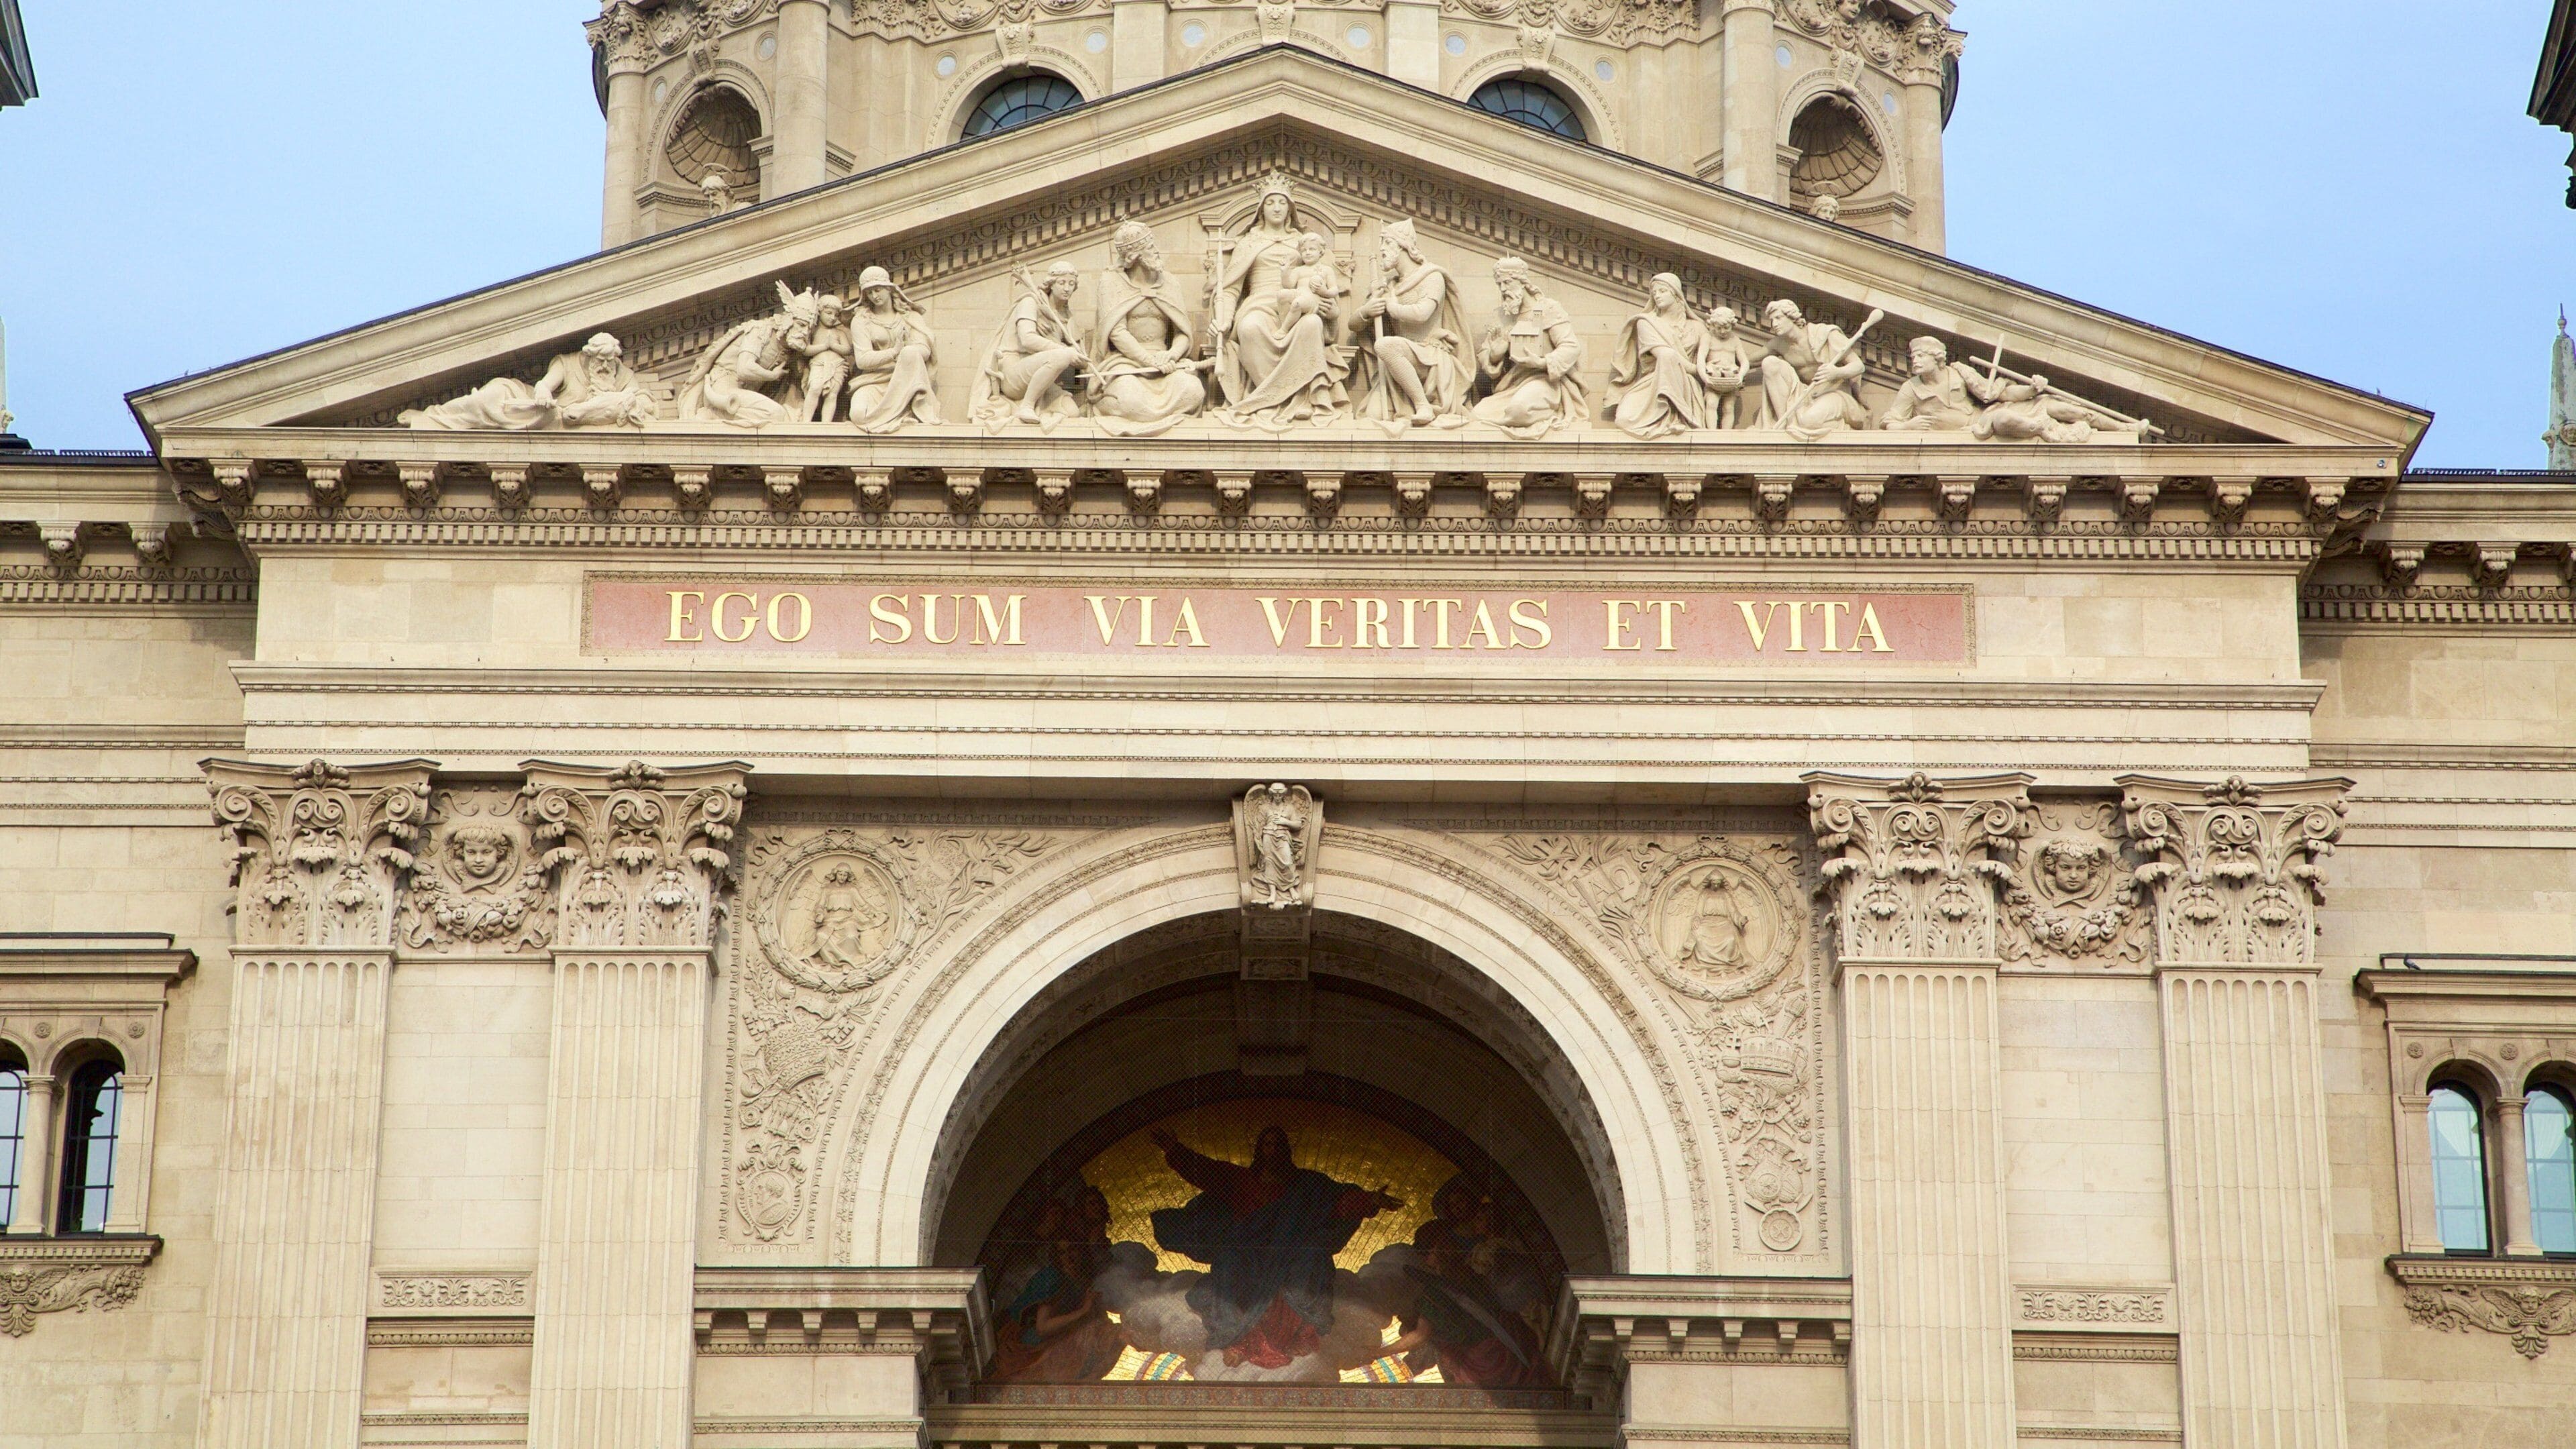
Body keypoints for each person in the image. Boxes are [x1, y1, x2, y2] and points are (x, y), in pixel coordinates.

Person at [1148, 1124, 1402, 1370]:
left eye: (1278, 1145)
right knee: (1229, 1264)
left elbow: (1338, 1199)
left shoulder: (1307, 1185)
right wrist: (1174, 1149)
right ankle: (1235, 1341)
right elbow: (1204, 1170)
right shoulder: (1240, 1180)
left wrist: (1370, 1200)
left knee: (1312, 1259)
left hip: (1290, 1250)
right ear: (1260, 1149)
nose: (1272, 1150)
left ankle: (1295, 1339)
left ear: (1286, 1151)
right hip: (1247, 1250)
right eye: (1267, 1144)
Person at [991, 1185, 1126, 1383]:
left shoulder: (1082, 1282)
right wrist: (1083, 1312)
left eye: (1073, 1251)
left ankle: (1087, 1384)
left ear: (1081, 1253)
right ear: (1057, 1257)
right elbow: (1042, 1328)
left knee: (1118, 1335)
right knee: (1087, 1336)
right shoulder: (1053, 1278)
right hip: (1032, 1344)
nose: (1069, 1257)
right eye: (1063, 1253)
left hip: (1064, 1337)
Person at [399, 333, 661, 431]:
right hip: (534, 404)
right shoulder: (567, 363)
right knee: (489, 398)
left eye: (609, 362)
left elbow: (640, 401)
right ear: (588, 357)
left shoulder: (623, 375)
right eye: (600, 362)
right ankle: (431, 419)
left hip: (558, 419)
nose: (605, 368)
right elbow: (544, 386)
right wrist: (544, 395)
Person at [1093, 223, 1208, 436]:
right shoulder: (1111, 282)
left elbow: (1183, 332)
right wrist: (1147, 361)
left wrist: (1171, 355)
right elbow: (1117, 332)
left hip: (1165, 364)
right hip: (1127, 365)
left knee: (1193, 390)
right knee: (1130, 400)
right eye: (1150, 247)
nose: (1156, 252)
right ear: (1134, 256)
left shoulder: (1169, 282)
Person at [1356, 219, 1471, 427]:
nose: (1381, 249)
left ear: (1402, 246)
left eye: (1387, 243)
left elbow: (1422, 314)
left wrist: (1392, 308)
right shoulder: (1390, 285)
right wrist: (1366, 311)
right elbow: (1353, 325)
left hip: (1429, 357)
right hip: (1398, 361)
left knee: (1384, 345)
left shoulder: (1432, 276)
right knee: (1371, 417)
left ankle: (1423, 405)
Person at [1472, 258, 1587, 438]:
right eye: (1500, 284)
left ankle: (1551, 413)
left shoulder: (1548, 309)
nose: (1503, 290)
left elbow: (1571, 347)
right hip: (1511, 386)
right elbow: (1486, 355)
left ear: (1523, 283)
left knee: (1519, 409)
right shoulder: (1502, 317)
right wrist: (1495, 357)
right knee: (1477, 415)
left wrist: (1541, 363)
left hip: (1545, 382)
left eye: (1508, 283)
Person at [973, 261, 1090, 426]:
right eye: (1061, 282)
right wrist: (1065, 351)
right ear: (1051, 284)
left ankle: (1032, 404)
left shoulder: (1064, 317)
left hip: (1038, 375)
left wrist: (1078, 357)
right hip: (1013, 370)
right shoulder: (1031, 303)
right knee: (1062, 355)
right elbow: (1028, 339)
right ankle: (1026, 406)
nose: (1067, 288)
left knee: (1072, 412)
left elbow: (1078, 358)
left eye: (1071, 284)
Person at [1607, 273, 1709, 439]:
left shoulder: (1697, 327)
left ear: (1676, 295)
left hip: (1685, 387)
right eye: (1654, 293)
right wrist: (1694, 368)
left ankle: (1678, 416)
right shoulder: (1646, 323)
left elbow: (1712, 358)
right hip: (1653, 383)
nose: (1657, 296)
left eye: (1663, 291)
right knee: (1624, 419)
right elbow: (1663, 353)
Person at [1752, 299, 1869, 439]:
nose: (1774, 324)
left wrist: (1836, 372)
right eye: (1772, 320)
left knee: (1808, 422)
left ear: (1792, 316)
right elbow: (1750, 360)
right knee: (1770, 363)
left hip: (1835, 393)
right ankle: (1784, 422)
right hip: (1806, 394)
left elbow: (1859, 366)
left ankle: (1836, 425)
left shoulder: (1825, 334)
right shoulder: (1780, 344)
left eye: (1778, 318)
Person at [843, 266, 941, 433]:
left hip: (906, 380)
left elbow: (925, 350)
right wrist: (894, 352)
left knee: (911, 352)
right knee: (859, 414)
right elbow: (862, 360)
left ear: (889, 289)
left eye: (877, 290)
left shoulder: (910, 317)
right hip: (874, 381)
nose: (874, 296)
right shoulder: (861, 320)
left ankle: (908, 410)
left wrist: (905, 351)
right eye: (869, 293)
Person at [1878, 335, 1994, 432]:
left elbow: (1991, 392)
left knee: (2005, 417)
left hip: (1981, 421)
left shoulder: (1959, 372)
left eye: (1920, 356)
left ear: (1937, 358)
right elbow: (1891, 422)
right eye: (1913, 357)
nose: (1915, 361)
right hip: (1949, 440)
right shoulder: (1911, 387)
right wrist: (1908, 426)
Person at [788, 294, 856, 423]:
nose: (832, 318)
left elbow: (847, 350)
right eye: (829, 313)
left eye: (836, 315)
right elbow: (806, 350)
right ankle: (806, 421)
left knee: (832, 395)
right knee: (814, 389)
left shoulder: (839, 333)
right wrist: (824, 346)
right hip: (818, 365)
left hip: (837, 366)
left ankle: (826, 423)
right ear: (819, 312)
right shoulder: (813, 331)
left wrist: (834, 346)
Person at [1694, 307, 1758, 431]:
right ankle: (1712, 432)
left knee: (1729, 407)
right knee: (1711, 404)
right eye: (1719, 328)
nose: (1723, 331)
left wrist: (1741, 376)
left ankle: (1726, 434)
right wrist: (1705, 378)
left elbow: (1744, 362)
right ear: (1712, 326)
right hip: (1714, 378)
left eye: (1726, 328)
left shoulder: (1735, 340)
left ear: (1732, 325)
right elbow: (1700, 360)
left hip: (1731, 378)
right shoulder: (1708, 338)